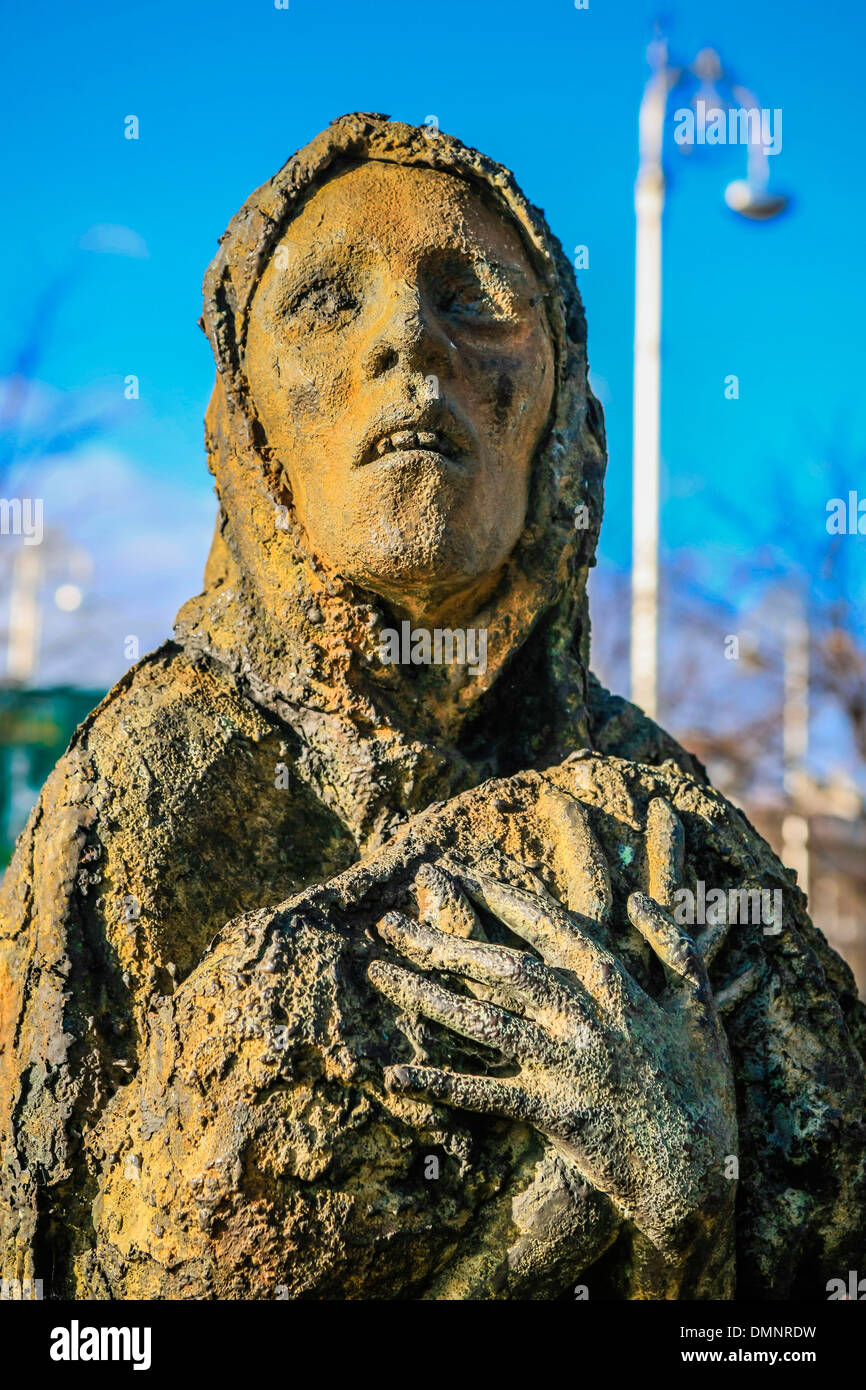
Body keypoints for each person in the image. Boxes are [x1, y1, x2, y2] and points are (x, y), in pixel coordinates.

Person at [1, 114, 863, 1301]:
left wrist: (683, 1199)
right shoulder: (143, 791)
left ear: (563, 417)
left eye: (473, 299)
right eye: (323, 303)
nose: (408, 340)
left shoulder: (658, 814)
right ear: (246, 425)